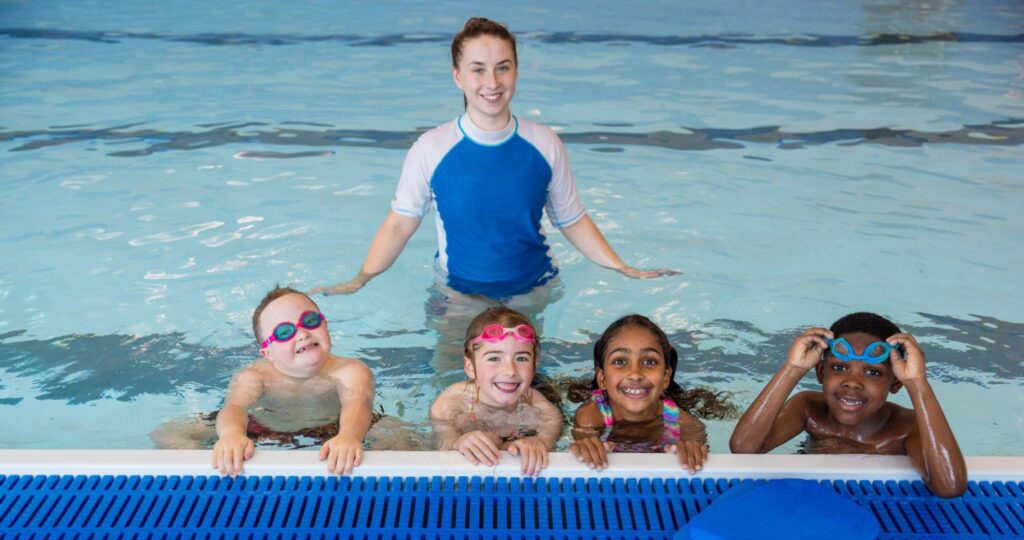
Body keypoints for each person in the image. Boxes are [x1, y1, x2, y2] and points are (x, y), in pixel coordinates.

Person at [312, 17, 676, 300]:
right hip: (459, 295)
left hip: (535, 291)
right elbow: (399, 224)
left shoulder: (544, 143)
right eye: (478, 69)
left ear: (516, 71)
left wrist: (623, 269)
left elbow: (572, 219)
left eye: (503, 67)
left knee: (535, 389)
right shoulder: (431, 147)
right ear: (458, 76)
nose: (493, 81)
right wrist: (360, 280)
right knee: (450, 384)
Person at [728, 312, 968, 498]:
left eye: (873, 372)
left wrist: (917, 383)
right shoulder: (809, 408)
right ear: (821, 373)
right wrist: (793, 369)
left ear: (895, 384)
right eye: (839, 368)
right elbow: (744, 449)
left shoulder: (907, 428)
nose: (852, 382)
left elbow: (949, 487)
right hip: (810, 498)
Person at [151, 287, 376, 476]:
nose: (302, 333)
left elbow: (357, 404)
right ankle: (216, 476)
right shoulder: (255, 376)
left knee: (401, 439)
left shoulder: (350, 370)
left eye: (309, 320)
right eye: (284, 332)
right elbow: (235, 407)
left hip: (334, 428)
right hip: (263, 428)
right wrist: (232, 436)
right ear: (268, 354)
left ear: (325, 325)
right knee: (168, 433)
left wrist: (349, 437)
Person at [430, 306, 562, 475]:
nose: (510, 371)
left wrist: (537, 443)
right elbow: (443, 453)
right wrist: (459, 443)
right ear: (470, 367)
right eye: (494, 358)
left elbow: (549, 452)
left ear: (534, 365)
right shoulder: (449, 405)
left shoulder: (546, 413)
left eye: (521, 358)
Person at [570, 314, 709, 473]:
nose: (635, 374)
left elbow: (698, 461)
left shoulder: (684, 423)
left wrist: (692, 451)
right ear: (602, 379)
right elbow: (586, 459)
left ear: (665, 378)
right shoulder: (591, 417)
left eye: (649, 361)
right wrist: (585, 447)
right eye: (620, 361)